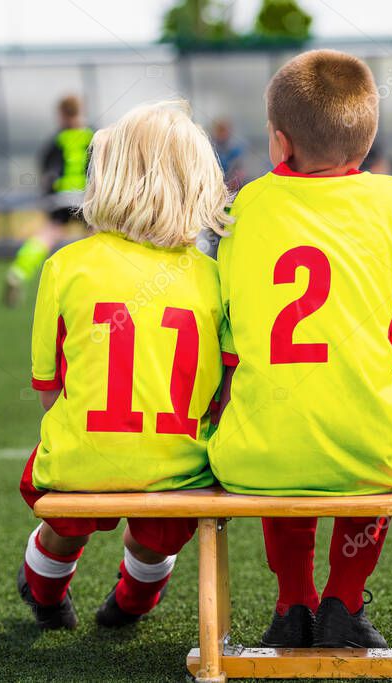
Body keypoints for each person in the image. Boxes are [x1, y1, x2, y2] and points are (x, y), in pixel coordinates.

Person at [209, 50, 392, 648]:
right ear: (366, 141)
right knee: (375, 428)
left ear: (279, 144)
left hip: (256, 458)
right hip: (370, 450)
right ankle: (344, 594)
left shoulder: (245, 206)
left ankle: (293, 598)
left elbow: (233, 350)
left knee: (277, 424)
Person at [17, 100, 232, 630]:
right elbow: (223, 391)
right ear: (201, 185)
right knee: (153, 538)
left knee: (63, 522)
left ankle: (45, 594)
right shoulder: (214, 278)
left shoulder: (66, 265)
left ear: (106, 177)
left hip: (80, 461)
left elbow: (50, 388)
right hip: (178, 468)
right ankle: (132, 604)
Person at [3, 95, 93, 307]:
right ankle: (94, 283)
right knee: (97, 239)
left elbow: (46, 173)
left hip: (60, 198)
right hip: (87, 199)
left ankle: (18, 272)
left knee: (47, 235)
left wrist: (46, 197)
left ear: (61, 114)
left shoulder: (55, 141)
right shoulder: (94, 136)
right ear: (81, 111)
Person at [211, 117, 247, 192]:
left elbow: (240, 170)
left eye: (224, 131)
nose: (223, 134)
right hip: (215, 185)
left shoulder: (235, 149)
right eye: (220, 131)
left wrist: (235, 180)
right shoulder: (210, 147)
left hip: (232, 186)